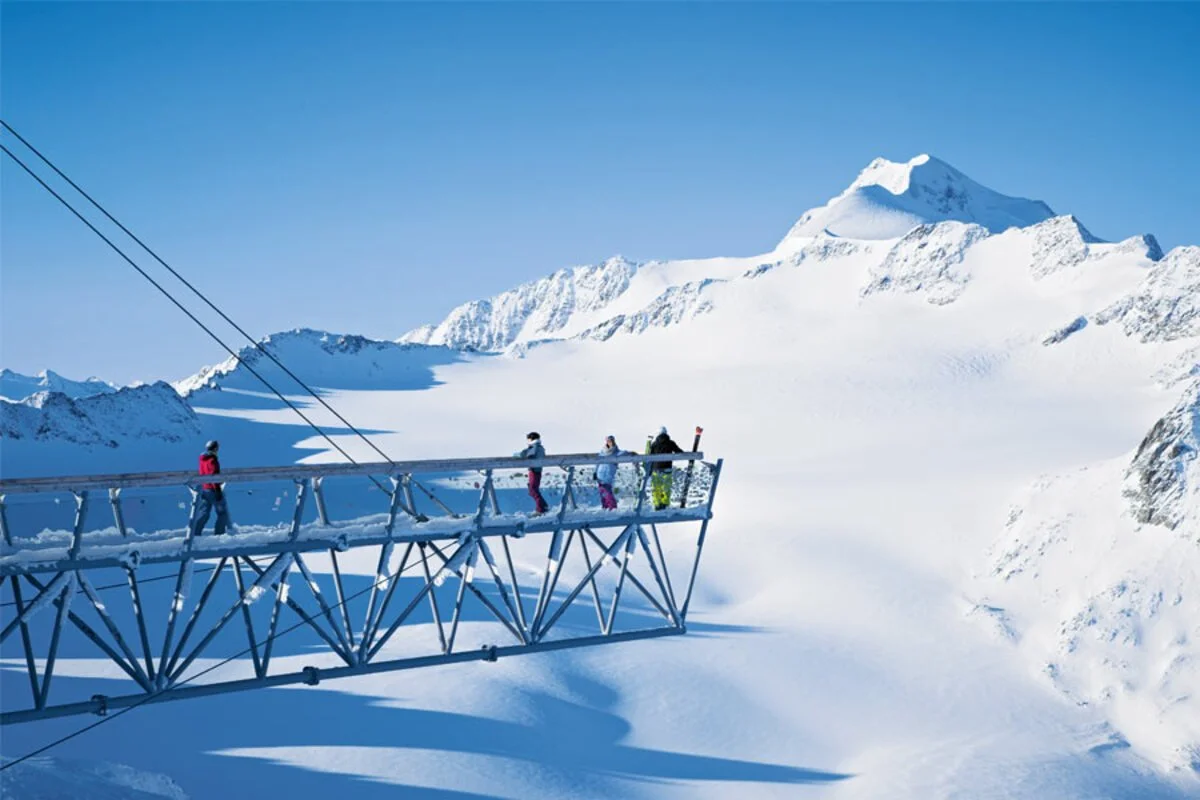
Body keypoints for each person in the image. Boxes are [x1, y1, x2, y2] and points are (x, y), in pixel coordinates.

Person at [192, 440, 231, 536]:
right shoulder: (213, 460)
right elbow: (214, 477)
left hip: (204, 489)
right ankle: (219, 534)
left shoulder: (202, 459)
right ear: (215, 448)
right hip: (213, 490)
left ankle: (194, 534)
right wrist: (218, 492)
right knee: (222, 514)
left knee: (204, 513)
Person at [647, 426, 684, 510]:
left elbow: (649, 457)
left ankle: (657, 504)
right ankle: (664, 504)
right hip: (667, 469)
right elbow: (678, 451)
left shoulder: (654, 444)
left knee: (657, 488)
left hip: (656, 469)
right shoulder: (670, 443)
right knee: (666, 488)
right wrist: (686, 454)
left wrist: (649, 471)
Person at [514, 432, 548, 515]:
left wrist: (515, 455)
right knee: (533, 489)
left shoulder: (534, 447)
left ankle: (541, 509)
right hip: (538, 470)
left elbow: (523, 454)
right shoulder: (541, 448)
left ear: (531, 439)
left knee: (533, 490)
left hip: (533, 471)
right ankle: (543, 506)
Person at [595, 435, 633, 510]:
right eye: (609, 441)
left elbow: (624, 453)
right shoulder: (602, 451)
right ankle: (606, 509)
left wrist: (632, 453)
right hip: (600, 475)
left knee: (607, 493)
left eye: (611, 441)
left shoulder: (616, 452)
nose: (610, 442)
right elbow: (597, 463)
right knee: (603, 494)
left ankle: (612, 509)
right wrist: (595, 473)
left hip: (608, 476)